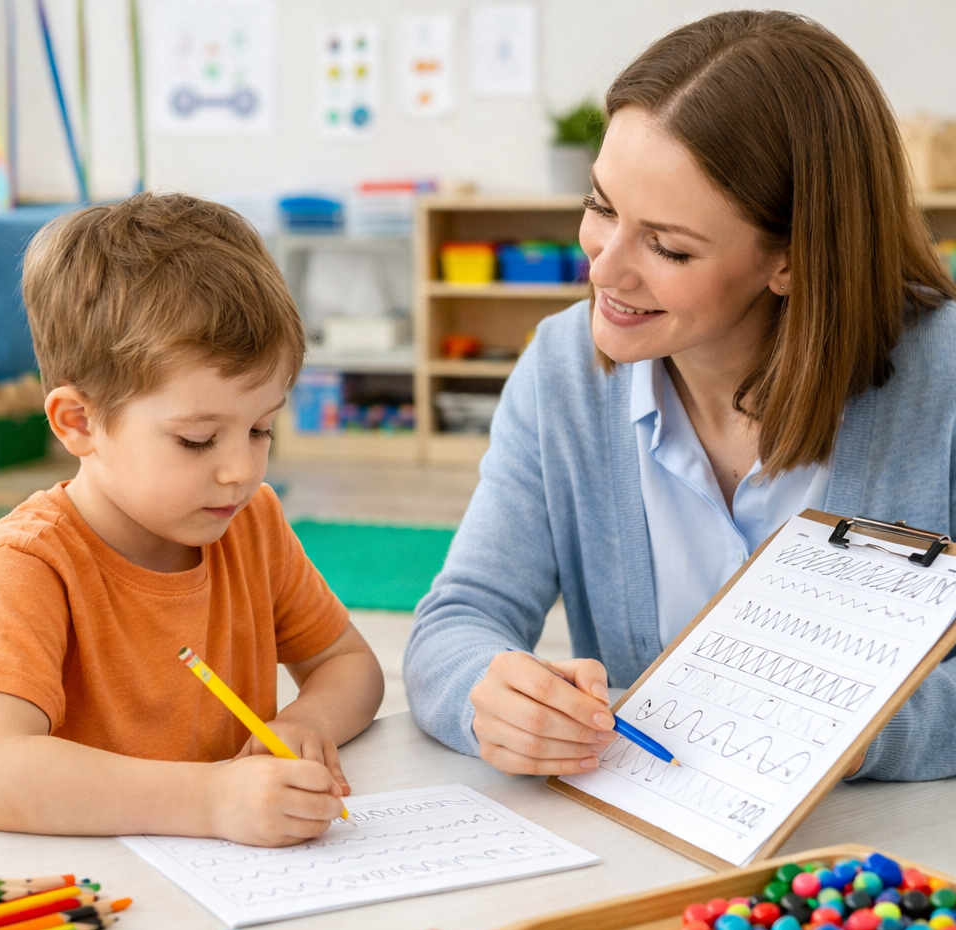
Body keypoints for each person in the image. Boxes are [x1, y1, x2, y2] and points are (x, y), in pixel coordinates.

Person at [404, 10, 956, 782]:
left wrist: (858, 734)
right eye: (601, 206)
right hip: (656, 858)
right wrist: (485, 697)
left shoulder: (945, 382)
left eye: (667, 246)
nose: (603, 269)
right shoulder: (562, 369)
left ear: (792, 260)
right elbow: (457, 621)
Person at [0, 193, 384, 846]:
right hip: (71, 893)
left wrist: (306, 724)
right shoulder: (26, 566)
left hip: (221, 884)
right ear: (79, 422)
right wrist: (210, 802)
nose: (241, 469)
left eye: (262, 427)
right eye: (198, 439)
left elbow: (350, 665)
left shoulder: (251, 522)